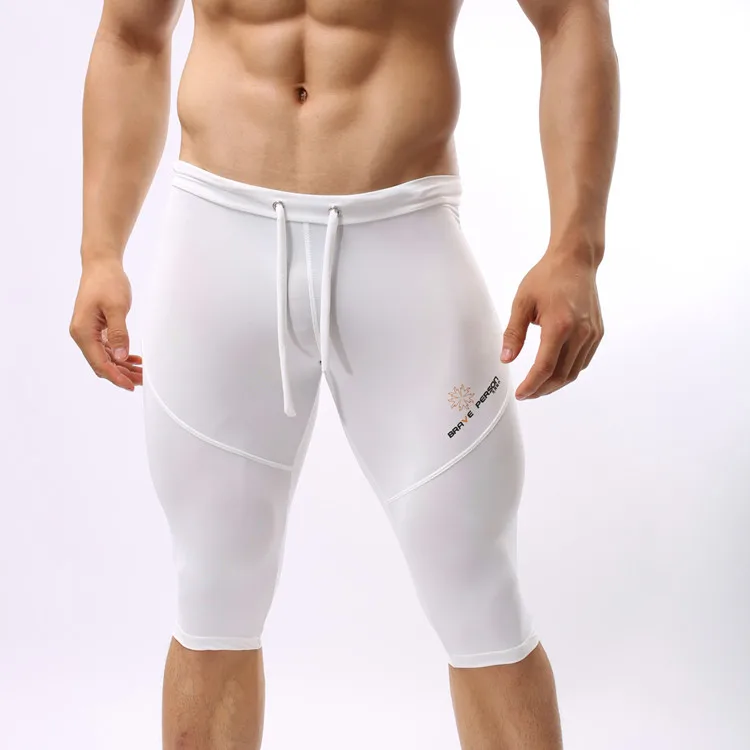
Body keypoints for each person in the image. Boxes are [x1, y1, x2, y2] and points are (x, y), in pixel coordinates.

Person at [69, 0, 618, 747]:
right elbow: (130, 37)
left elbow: (570, 17)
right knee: (212, 589)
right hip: (217, 251)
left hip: (405, 248)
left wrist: (576, 249)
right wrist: (100, 251)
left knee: (478, 591)